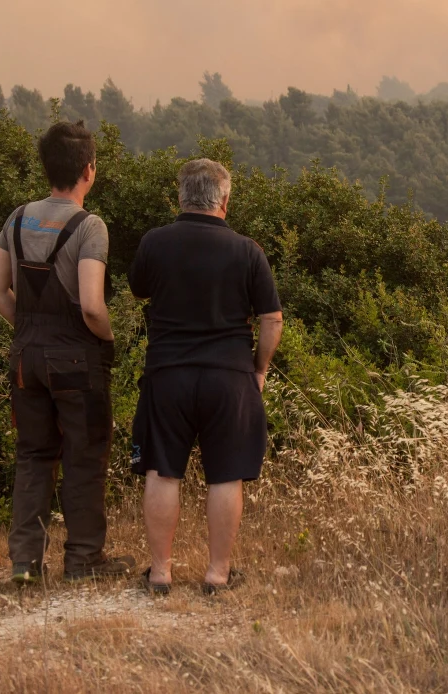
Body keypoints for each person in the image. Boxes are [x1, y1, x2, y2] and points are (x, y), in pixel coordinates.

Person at [0, 120, 133, 584]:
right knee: (84, 457)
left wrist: (28, 329)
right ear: (89, 170)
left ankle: (25, 565)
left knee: (33, 456)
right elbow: (92, 305)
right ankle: (84, 560)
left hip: (26, 357)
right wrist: (107, 340)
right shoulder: (90, 227)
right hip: (77, 361)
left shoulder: (16, 218)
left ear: (46, 167)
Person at [129, 158, 283, 595]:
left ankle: (160, 574)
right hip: (229, 377)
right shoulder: (248, 251)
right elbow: (273, 320)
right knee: (225, 476)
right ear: (225, 200)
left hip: (168, 375)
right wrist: (258, 371)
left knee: (162, 472)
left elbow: (138, 288)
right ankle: (217, 575)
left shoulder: (155, 243)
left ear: (180, 196)